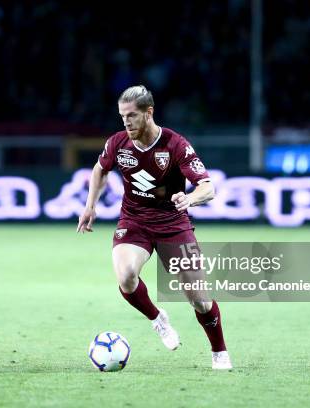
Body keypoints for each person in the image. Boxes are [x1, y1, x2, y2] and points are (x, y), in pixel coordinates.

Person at [77, 85, 232, 369]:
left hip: (173, 224)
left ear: (149, 113)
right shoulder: (117, 143)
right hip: (134, 221)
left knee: (200, 300)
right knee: (126, 276)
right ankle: (157, 319)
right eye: (122, 116)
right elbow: (100, 168)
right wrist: (90, 205)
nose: (126, 122)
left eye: (132, 115)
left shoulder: (175, 144)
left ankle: (219, 351)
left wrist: (190, 199)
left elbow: (207, 188)